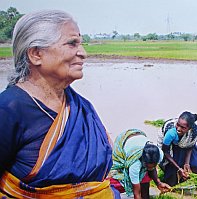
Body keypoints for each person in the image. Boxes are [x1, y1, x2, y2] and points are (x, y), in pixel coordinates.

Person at [0, 10, 120, 198]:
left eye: (80, 44)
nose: (83, 53)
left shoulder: (82, 107)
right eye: (72, 44)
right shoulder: (8, 109)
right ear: (36, 54)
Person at [109, 129, 171, 199]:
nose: (150, 169)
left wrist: (158, 183)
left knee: (145, 177)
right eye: (148, 167)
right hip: (124, 142)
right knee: (122, 180)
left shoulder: (159, 154)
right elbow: (137, 194)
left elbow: (151, 169)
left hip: (138, 138)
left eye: (153, 166)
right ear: (143, 161)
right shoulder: (134, 165)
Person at [160, 111, 197, 186]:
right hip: (168, 146)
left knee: (195, 166)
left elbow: (190, 146)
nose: (178, 129)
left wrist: (187, 163)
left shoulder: (194, 131)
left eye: (183, 127)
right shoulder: (171, 131)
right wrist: (178, 168)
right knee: (172, 177)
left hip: (184, 144)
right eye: (178, 125)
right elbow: (165, 151)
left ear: (189, 128)